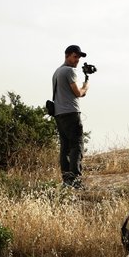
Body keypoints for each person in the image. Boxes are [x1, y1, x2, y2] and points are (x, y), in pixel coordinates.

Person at [52, 44, 90, 187]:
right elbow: (78, 93)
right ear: (67, 55)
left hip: (59, 113)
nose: (77, 60)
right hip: (70, 113)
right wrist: (86, 85)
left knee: (65, 147)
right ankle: (76, 180)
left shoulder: (57, 72)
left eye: (78, 57)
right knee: (77, 145)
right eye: (75, 56)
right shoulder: (69, 71)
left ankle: (67, 180)